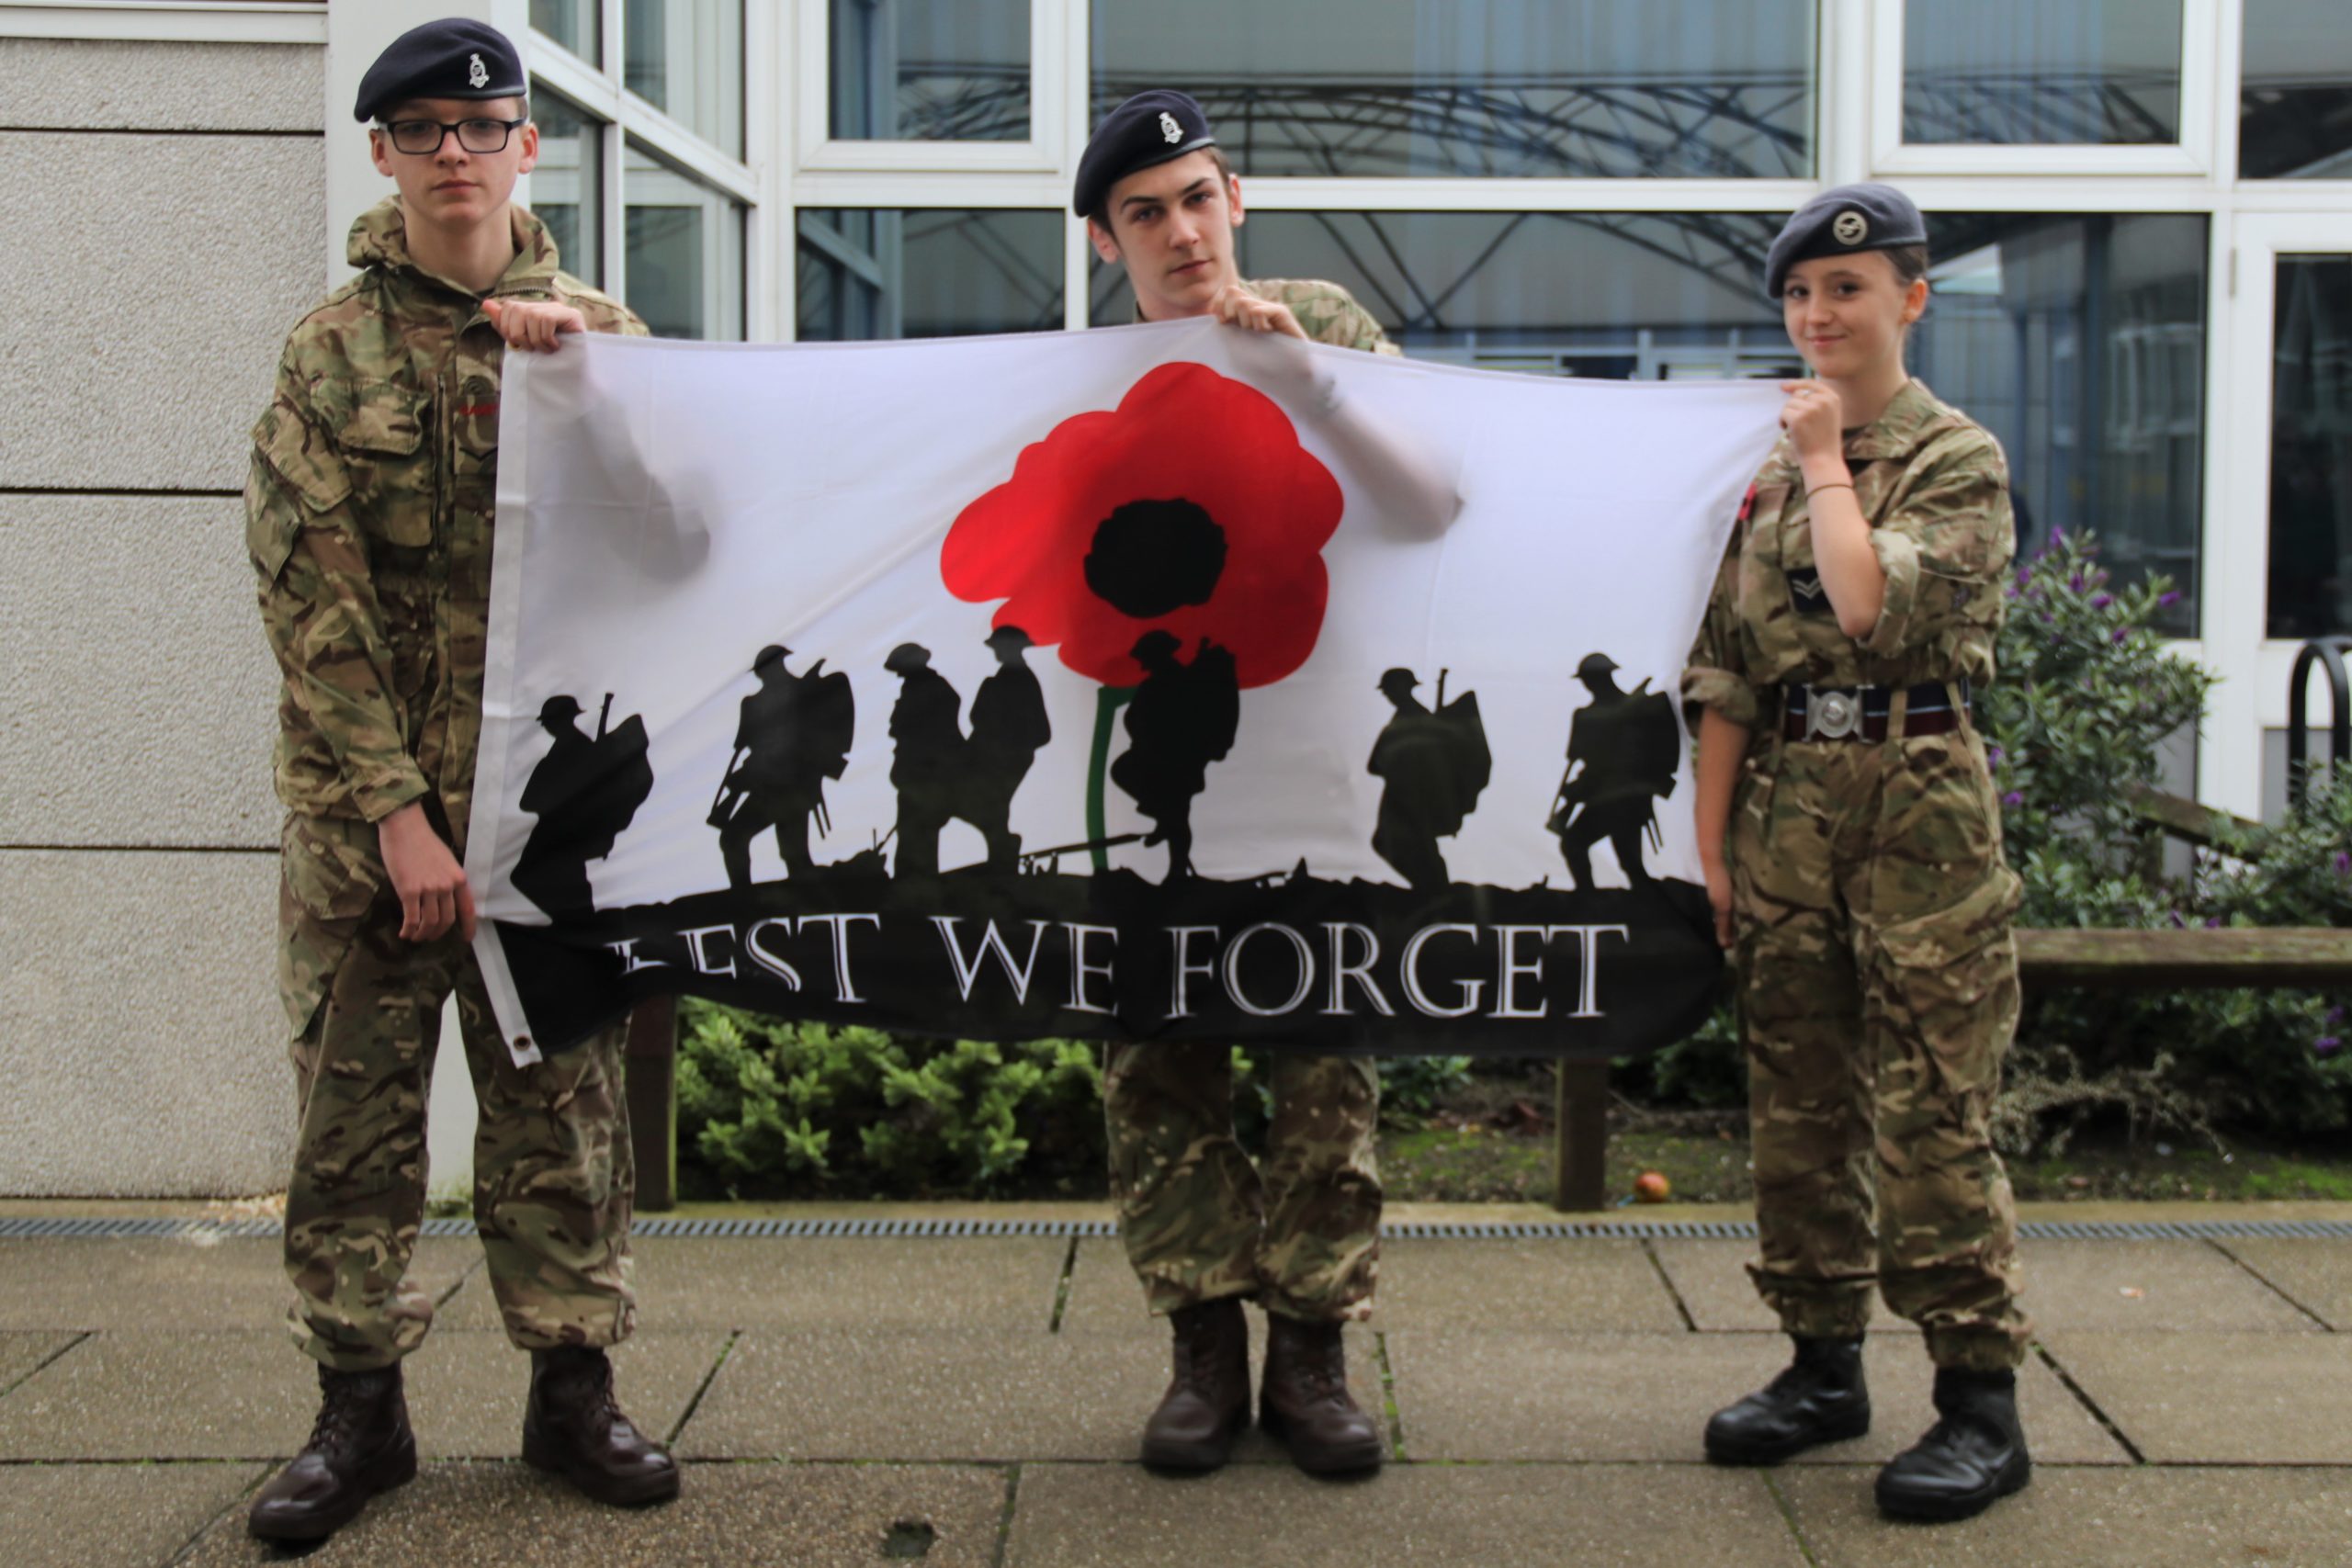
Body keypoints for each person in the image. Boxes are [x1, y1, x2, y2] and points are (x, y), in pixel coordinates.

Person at [243, 18, 674, 1543]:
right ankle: (357, 1413)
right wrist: (400, 816)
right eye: (420, 129)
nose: (452, 155)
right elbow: (314, 603)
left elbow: (689, 544)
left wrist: (600, 387)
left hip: (556, 823)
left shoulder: (605, 334)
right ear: (382, 151)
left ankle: (574, 1394)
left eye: (480, 126)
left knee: (561, 1115)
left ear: (525, 149)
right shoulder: (327, 351)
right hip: (373, 837)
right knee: (350, 1129)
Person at [1077, 89, 1453, 1478]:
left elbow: (1431, 502)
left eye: (1195, 197)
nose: (1180, 230)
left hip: (1311, 755)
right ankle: (1200, 1345)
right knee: (1157, 1057)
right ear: (1109, 242)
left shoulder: (1329, 323)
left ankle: (1311, 1347)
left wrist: (1313, 383)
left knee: (1321, 1053)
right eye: (1143, 212)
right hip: (1155, 760)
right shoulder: (1076, 373)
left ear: (1236, 195)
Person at [1682, 183, 2031, 1523]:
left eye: (1848, 291)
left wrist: (1830, 461)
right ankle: (1823, 1365)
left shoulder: (1956, 457)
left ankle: (1978, 1400)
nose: (1819, 315)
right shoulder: (1764, 469)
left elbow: (1872, 604)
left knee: (1936, 1109)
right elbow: (1729, 670)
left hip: (1918, 816)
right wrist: (1709, 850)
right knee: (1801, 1101)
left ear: (1912, 299)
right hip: (1788, 811)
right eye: (1801, 295)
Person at [1548, 652, 1678, 892]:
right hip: (1617, 797)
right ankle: (1603, 898)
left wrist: (1577, 789)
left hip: (1617, 798)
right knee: (1629, 862)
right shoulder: (1624, 711)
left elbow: (1594, 761)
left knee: (1575, 844)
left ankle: (1588, 898)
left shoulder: (1594, 716)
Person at [964, 625, 1052, 873]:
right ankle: (1002, 854)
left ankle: (1003, 856)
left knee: (993, 805)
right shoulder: (1003, 679)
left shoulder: (1019, 680)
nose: (997, 652)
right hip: (999, 753)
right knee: (991, 806)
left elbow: (1037, 729)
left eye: (1001, 647)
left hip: (1010, 755)